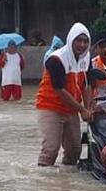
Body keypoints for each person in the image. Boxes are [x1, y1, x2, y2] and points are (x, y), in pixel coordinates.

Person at [35, 23, 92, 166]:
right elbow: (59, 90)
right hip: (50, 107)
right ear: (71, 40)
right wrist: (82, 110)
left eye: (85, 41)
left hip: (71, 109)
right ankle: (45, 182)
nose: (82, 45)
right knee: (51, 149)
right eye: (78, 40)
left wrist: (88, 108)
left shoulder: (87, 58)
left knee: (75, 150)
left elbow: (86, 85)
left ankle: (65, 182)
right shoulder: (56, 59)